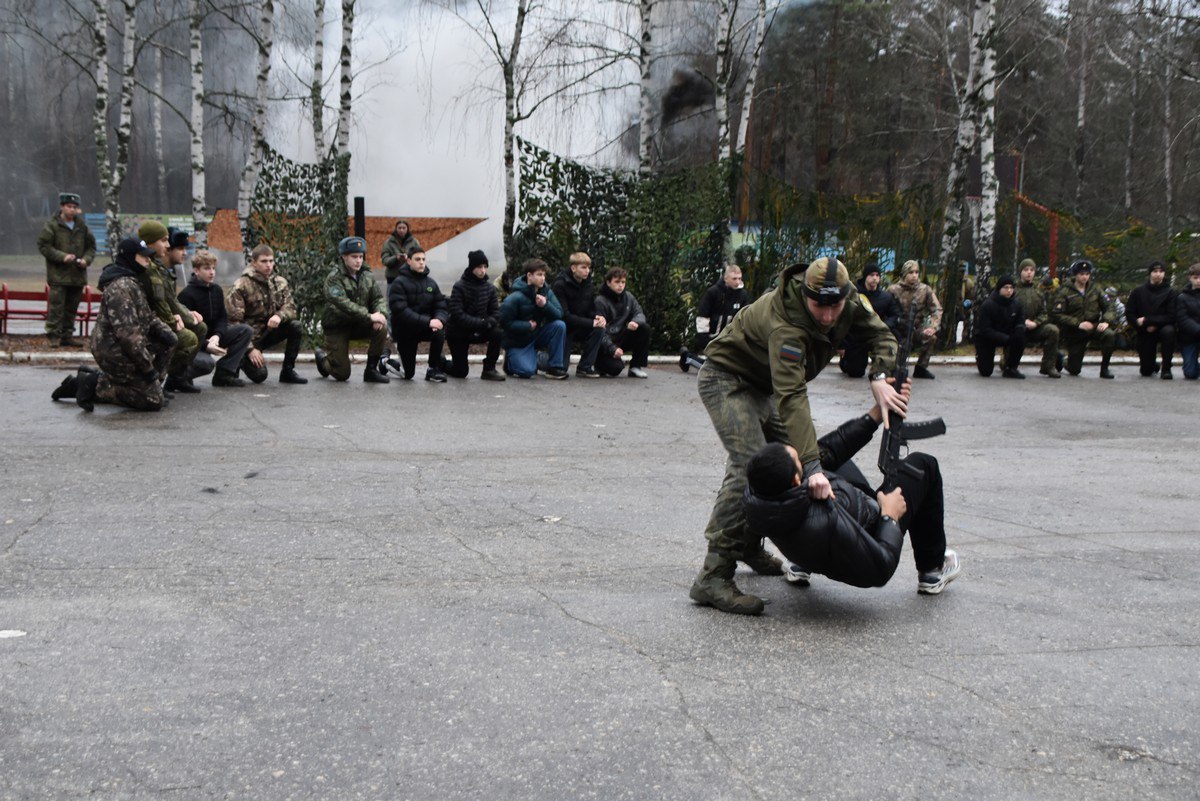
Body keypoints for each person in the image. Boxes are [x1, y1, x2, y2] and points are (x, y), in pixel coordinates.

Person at [688, 256, 903, 616]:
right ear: (805, 295)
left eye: (836, 306)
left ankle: (748, 544)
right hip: (727, 378)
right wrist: (814, 468)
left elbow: (882, 335)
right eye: (820, 306)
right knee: (751, 465)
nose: (828, 317)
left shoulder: (849, 299)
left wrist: (879, 377)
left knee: (792, 460)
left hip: (764, 385)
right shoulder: (784, 323)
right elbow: (792, 396)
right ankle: (713, 575)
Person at [742, 387, 961, 597]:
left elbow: (827, 452)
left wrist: (876, 414)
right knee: (925, 464)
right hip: (870, 533)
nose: (804, 462)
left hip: (820, 539)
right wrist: (890, 517)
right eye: (799, 463)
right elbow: (880, 568)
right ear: (796, 480)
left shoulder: (760, 495)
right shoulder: (826, 520)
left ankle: (801, 564)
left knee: (820, 457)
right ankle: (932, 569)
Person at [68, 238, 177, 412]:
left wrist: (166, 333)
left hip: (126, 348)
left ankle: (151, 386)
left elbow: (146, 316)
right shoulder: (120, 287)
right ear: (130, 257)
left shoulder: (132, 281)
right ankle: (95, 384)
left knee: (168, 341)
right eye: (143, 256)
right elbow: (128, 336)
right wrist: (148, 369)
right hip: (113, 350)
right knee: (153, 401)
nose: (148, 260)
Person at [137, 222, 206, 396]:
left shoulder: (159, 269)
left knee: (199, 328)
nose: (168, 246)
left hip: (153, 320)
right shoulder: (151, 269)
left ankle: (176, 378)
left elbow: (170, 301)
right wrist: (175, 320)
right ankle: (155, 382)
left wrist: (187, 314)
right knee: (187, 337)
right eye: (164, 241)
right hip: (145, 324)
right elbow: (161, 303)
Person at [226, 244, 311, 384]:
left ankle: (288, 371)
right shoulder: (242, 285)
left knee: (295, 326)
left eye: (271, 261)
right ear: (254, 263)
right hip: (248, 338)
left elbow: (291, 308)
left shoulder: (280, 283)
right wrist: (250, 349)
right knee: (260, 376)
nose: (268, 265)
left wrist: (279, 316)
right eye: (264, 261)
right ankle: (239, 361)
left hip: (269, 332)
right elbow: (233, 322)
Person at [177, 249, 255, 388]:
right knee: (206, 364)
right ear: (196, 270)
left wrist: (217, 336)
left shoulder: (216, 290)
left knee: (245, 330)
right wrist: (206, 344)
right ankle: (179, 378)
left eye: (213, 268)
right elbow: (186, 330)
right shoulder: (186, 295)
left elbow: (222, 318)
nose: (212, 272)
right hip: (196, 343)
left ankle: (224, 373)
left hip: (214, 338)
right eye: (207, 268)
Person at [321, 236, 390, 383]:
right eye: (354, 257)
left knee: (381, 327)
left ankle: (371, 370)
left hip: (358, 323)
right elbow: (343, 304)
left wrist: (381, 313)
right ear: (344, 257)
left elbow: (378, 298)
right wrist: (370, 316)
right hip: (337, 326)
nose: (358, 261)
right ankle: (323, 361)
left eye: (360, 256)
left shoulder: (366, 275)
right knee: (342, 374)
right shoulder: (334, 278)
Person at [37, 192, 96, 347]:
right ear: (62, 207)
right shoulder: (52, 226)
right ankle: (53, 335)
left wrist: (86, 260)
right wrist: (62, 257)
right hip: (58, 275)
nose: (72, 210)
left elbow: (91, 247)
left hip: (77, 275)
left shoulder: (82, 227)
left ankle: (67, 335)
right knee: (56, 307)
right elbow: (44, 246)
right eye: (69, 206)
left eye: (75, 207)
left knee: (72, 307)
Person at [499, 258, 568, 379]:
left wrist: (545, 305)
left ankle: (554, 368)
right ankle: (509, 363)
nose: (543, 278)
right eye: (539, 275)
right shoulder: (515, 297)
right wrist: (527, 326)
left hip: (537, 335)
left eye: (544, 275)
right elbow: (504, 323)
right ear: (529, 276)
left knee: (559, 325)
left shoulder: (546, 292)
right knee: (527, 371)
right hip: (518, 342)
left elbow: (559, 314)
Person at [388, 247, 449, 382]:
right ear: (409, 261)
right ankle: (384, 361)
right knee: (408, 374)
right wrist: (428, 322)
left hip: (424, 327)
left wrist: (439, 319)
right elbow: (401, 312)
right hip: (405, 330)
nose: (421, 262)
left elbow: (441, 306)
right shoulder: (398, 283)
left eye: (423, 259)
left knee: (439, 331)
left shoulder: (431, 283)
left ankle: (432, 369)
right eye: (417, 259)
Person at [1049, 259, 1117, 379]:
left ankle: (1105, 369)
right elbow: (1057, 314)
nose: (1084, 277)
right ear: (1075, 274)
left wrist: (1106, 321)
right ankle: (1062, 359)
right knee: (1074, 370)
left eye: (1087, 274)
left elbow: (1109, 307)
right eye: (1081, 274)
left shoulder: (1095, 289)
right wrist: (1078, 323)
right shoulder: (1065, 291)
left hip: (1093, 326)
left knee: (1109, 335)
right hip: (1075, 331)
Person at [447, 250, 505, 381]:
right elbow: (457, 314)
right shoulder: (459, 286)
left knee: (497, 333)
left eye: (485, 267)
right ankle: (442, 363)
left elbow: (496, 313)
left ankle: (489, 369)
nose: (483, 270)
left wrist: (488, 323)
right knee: (460, 372)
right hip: (459, 332)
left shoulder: (490, 288)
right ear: (472, 267)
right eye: (479, 267)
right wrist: (481, 323)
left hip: (480, 329)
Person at [839, 260, 900, 378]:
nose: (875, 278)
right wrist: (841, 344)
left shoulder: (886, 297)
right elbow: (843, 317)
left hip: (877, 333)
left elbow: (895, 315)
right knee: (855, 372)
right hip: (857, 335)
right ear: (865, 277)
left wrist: (885, 325)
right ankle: (845, 361)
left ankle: (884, 365)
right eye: (871, 275)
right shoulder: (854, 295)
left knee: (894, 335)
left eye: (877, 275)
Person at [552, 251, 605, 378]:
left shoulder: (588, 284)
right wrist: (591, 322)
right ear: (573, 268)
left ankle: (585, 367)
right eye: (583, 267)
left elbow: (590, 308)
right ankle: (538, 358)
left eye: (588, 268)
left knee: (600, 329)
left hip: (580, 325)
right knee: (561, 368)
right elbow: (564, 316)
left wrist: (598, 317)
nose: (587, 271)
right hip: (565, 328)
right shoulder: (560, 285)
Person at [593, 266, 651, 378]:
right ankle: (599, 364)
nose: (620, 285)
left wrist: (635, 322)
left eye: (623, 282)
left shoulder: (629, 297)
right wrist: (612, 349)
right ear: (608, 283)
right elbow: (599, 331)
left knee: (644, 328)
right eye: (617, 282)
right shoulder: (600, 301)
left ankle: (635, 367)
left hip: (621, 336)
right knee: (616, 369)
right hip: (605, 343)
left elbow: (639, 313)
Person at [889, 259, 942, 379]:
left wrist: (933, 326)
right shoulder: (893, 290)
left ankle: (921, 368)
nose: (914, 275)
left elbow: (937, 309)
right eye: (911, 272)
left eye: (916, 272)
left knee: (931, 337)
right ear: (904, 274)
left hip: (916, 328)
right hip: (898, 330)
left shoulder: (925, 290)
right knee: (897, 364)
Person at [1126, 261, 1178, 379]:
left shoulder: (1170, 292)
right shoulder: (1138, 292)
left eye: (1161, 271)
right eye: (1155, 271)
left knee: (1169, 332)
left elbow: (1171, 316)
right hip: (1144, 330)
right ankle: (1152, 365)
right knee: (1146, 371)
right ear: (1150, 273)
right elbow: (1130, 313)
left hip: (1163, 327)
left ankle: (1166, 368)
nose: (1158, 274)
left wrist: (1149, 321)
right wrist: (1141, 325)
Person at [1013, 258, 1062, 378]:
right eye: (1026, 270)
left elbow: (1044, 312)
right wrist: (1022, 321)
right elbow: (1007, 311)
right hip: (1017, 327)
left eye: (1031, 270)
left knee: (1052, 330)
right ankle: (1009, 363)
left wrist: (1036, 323)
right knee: (1008, 363)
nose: (1029, 272)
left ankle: (1048, 366)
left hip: (1035, 327)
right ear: (1020, 272)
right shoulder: (1013, 289)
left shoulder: (1039, 290)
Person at [974, 274, 1026, 378]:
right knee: (986, 372)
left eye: (1011, 288)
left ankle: (1011, 368)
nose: (1009, 290)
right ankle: (980, 357)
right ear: (999, 289)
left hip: (1007, 334)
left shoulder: (1016, 304)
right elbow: (984, 329)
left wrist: (1019, 330)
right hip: (987, 338)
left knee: (1021, 338)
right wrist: (1005, 338)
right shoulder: (988, 305)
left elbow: (1020, 321)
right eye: (1006, 287)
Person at [1176, 263, 1200, 380]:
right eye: (1195, 277)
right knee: (1190, 373)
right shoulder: (1182, 298)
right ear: (1190, 278)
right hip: (1189, 338)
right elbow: (1183, 319)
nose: (1198, 281)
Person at [381, 219, 421, 286]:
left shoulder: (414, 242)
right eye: (399, 228)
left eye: (404, 228)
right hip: (393, 278)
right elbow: (385, 260)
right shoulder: (388, 243)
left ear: (407, 229)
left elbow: (419, 258)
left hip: (410, 277)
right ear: (396, 229)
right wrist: (396, 258)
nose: (401, 230)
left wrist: (408, 258)